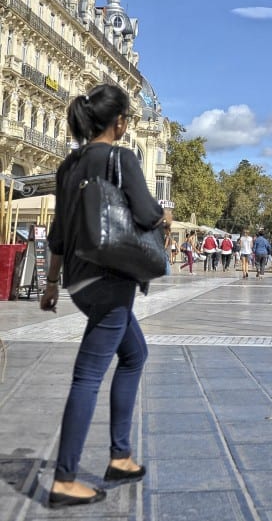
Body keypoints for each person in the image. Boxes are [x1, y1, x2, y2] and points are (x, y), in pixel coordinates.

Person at [40, 84, 162, 507]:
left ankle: (121, 456)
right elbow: (146, 213)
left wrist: (52, 282)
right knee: (87, 376)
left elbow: (57, 233)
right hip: (111, 279)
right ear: (121, 122)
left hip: (78, 281)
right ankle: (64, 478)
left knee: (134, 355)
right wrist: (164, 215)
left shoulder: (69, 164)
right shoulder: (120, 158)